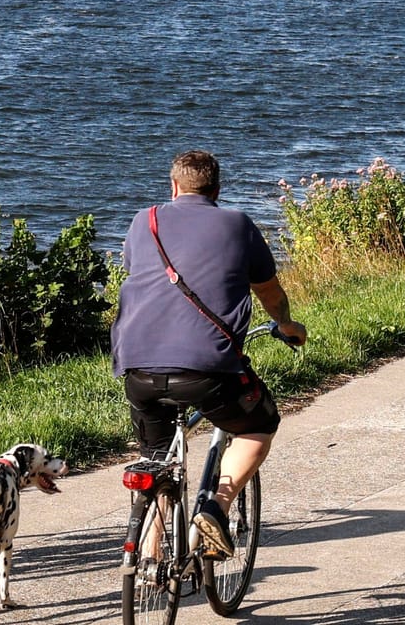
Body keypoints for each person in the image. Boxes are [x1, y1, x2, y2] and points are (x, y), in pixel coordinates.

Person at [110, 150, 307, 560]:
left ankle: (149, 556)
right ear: (217, 190)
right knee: (260, 424)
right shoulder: (237, 224)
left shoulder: (143, 221)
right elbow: (268, 292)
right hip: (209, 370)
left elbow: (139, 272)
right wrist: (287, 325)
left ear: (174, 186)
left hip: (136, 366)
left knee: (156, 458)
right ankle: (217, 505)